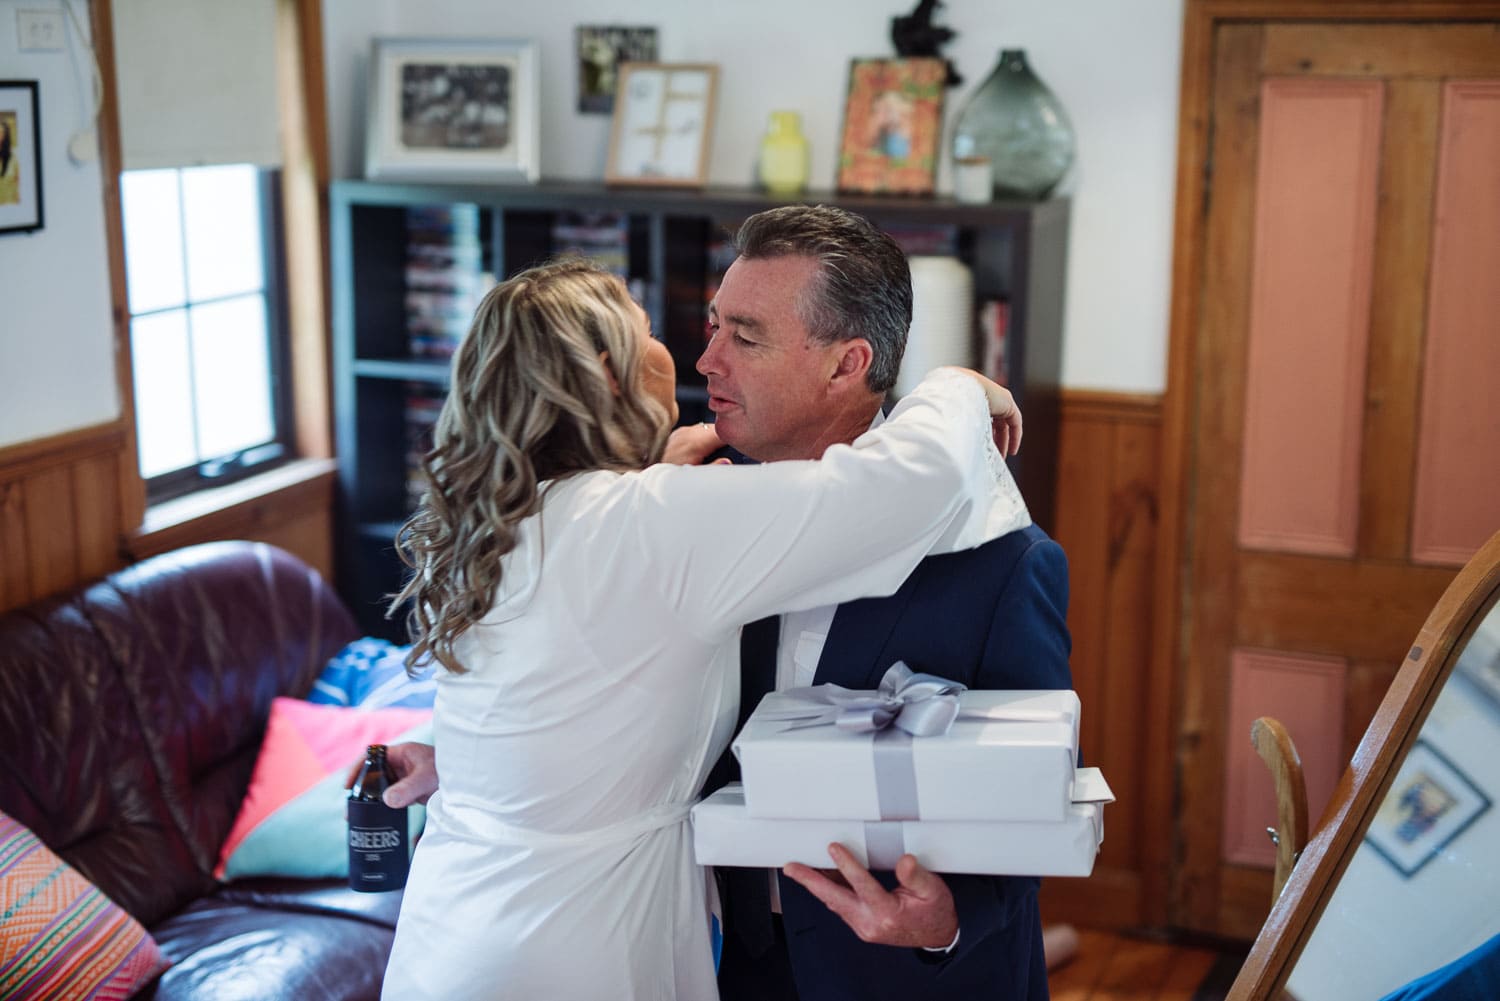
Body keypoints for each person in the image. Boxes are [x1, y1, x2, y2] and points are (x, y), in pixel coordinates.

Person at [375, 256, 1027, 1001]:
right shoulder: (652, 524)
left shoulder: (495, 522)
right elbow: (909, 486)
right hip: (575, 945)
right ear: (607, 374)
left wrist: (459, 762)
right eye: (647, 329)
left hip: (451, 924)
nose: (691, 355)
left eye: (739, 333)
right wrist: (954, 385)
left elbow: (559, 685)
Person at [695, 204, 1072, 1001]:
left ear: (846, 365)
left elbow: (1033, 796)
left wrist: (947, 922)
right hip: (736, 964)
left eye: (745, 336)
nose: (706, 360)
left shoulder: (1003, 563)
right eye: (714, 326)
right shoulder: (704, 512)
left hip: (912, 978)